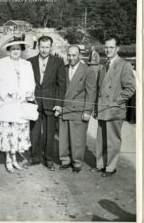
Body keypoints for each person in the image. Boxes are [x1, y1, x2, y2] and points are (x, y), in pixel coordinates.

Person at [91, 36, 136, 177]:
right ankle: (100, 164)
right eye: (106, 47)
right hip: (102, 108)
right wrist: (95, 108)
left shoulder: (124, 65)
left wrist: (117, 102)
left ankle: (110, 167)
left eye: (111, 47)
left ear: (117, 48)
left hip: (114, 109)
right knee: (101, 140)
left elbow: (130, 88)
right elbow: (99, 90)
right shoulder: (104, 65)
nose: (108, 50)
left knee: (112, 140)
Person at [0, 38, 35, 173]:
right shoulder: (1, 63)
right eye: (13, 49)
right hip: (7, 104)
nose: (16, 51)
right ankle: (8, 158)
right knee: (8, 133)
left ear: (21, 50)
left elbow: (31, 82)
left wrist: (28, 93)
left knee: (17, 132)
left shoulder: (27, 64)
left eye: (18, 49)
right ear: (9, 50)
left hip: (21, 104)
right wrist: (6, 93)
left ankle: (15, 157)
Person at [26, 36, 66, 171]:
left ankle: (48, 159)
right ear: (38, 47)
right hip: (34, 103)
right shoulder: (29, 62)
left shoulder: (58, 62)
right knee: (34, 132)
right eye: (42, 47)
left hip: (51, 103)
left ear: (51, 47)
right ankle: (34, 157)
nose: (44, 50)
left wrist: (59, 104)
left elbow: (62, 85)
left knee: (49, 134)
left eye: (47, 47)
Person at [58, 46, 96, 173]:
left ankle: (77, 162)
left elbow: (91, 92)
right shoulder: (63, 69)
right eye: (69, 55)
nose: (71, 58)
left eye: (74, 55)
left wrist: (87, 111)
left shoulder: (87, 70)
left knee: (78, 138)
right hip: (64, 108)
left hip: (78, 109)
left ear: (79, 55)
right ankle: (65, 160)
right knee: (63, 137)